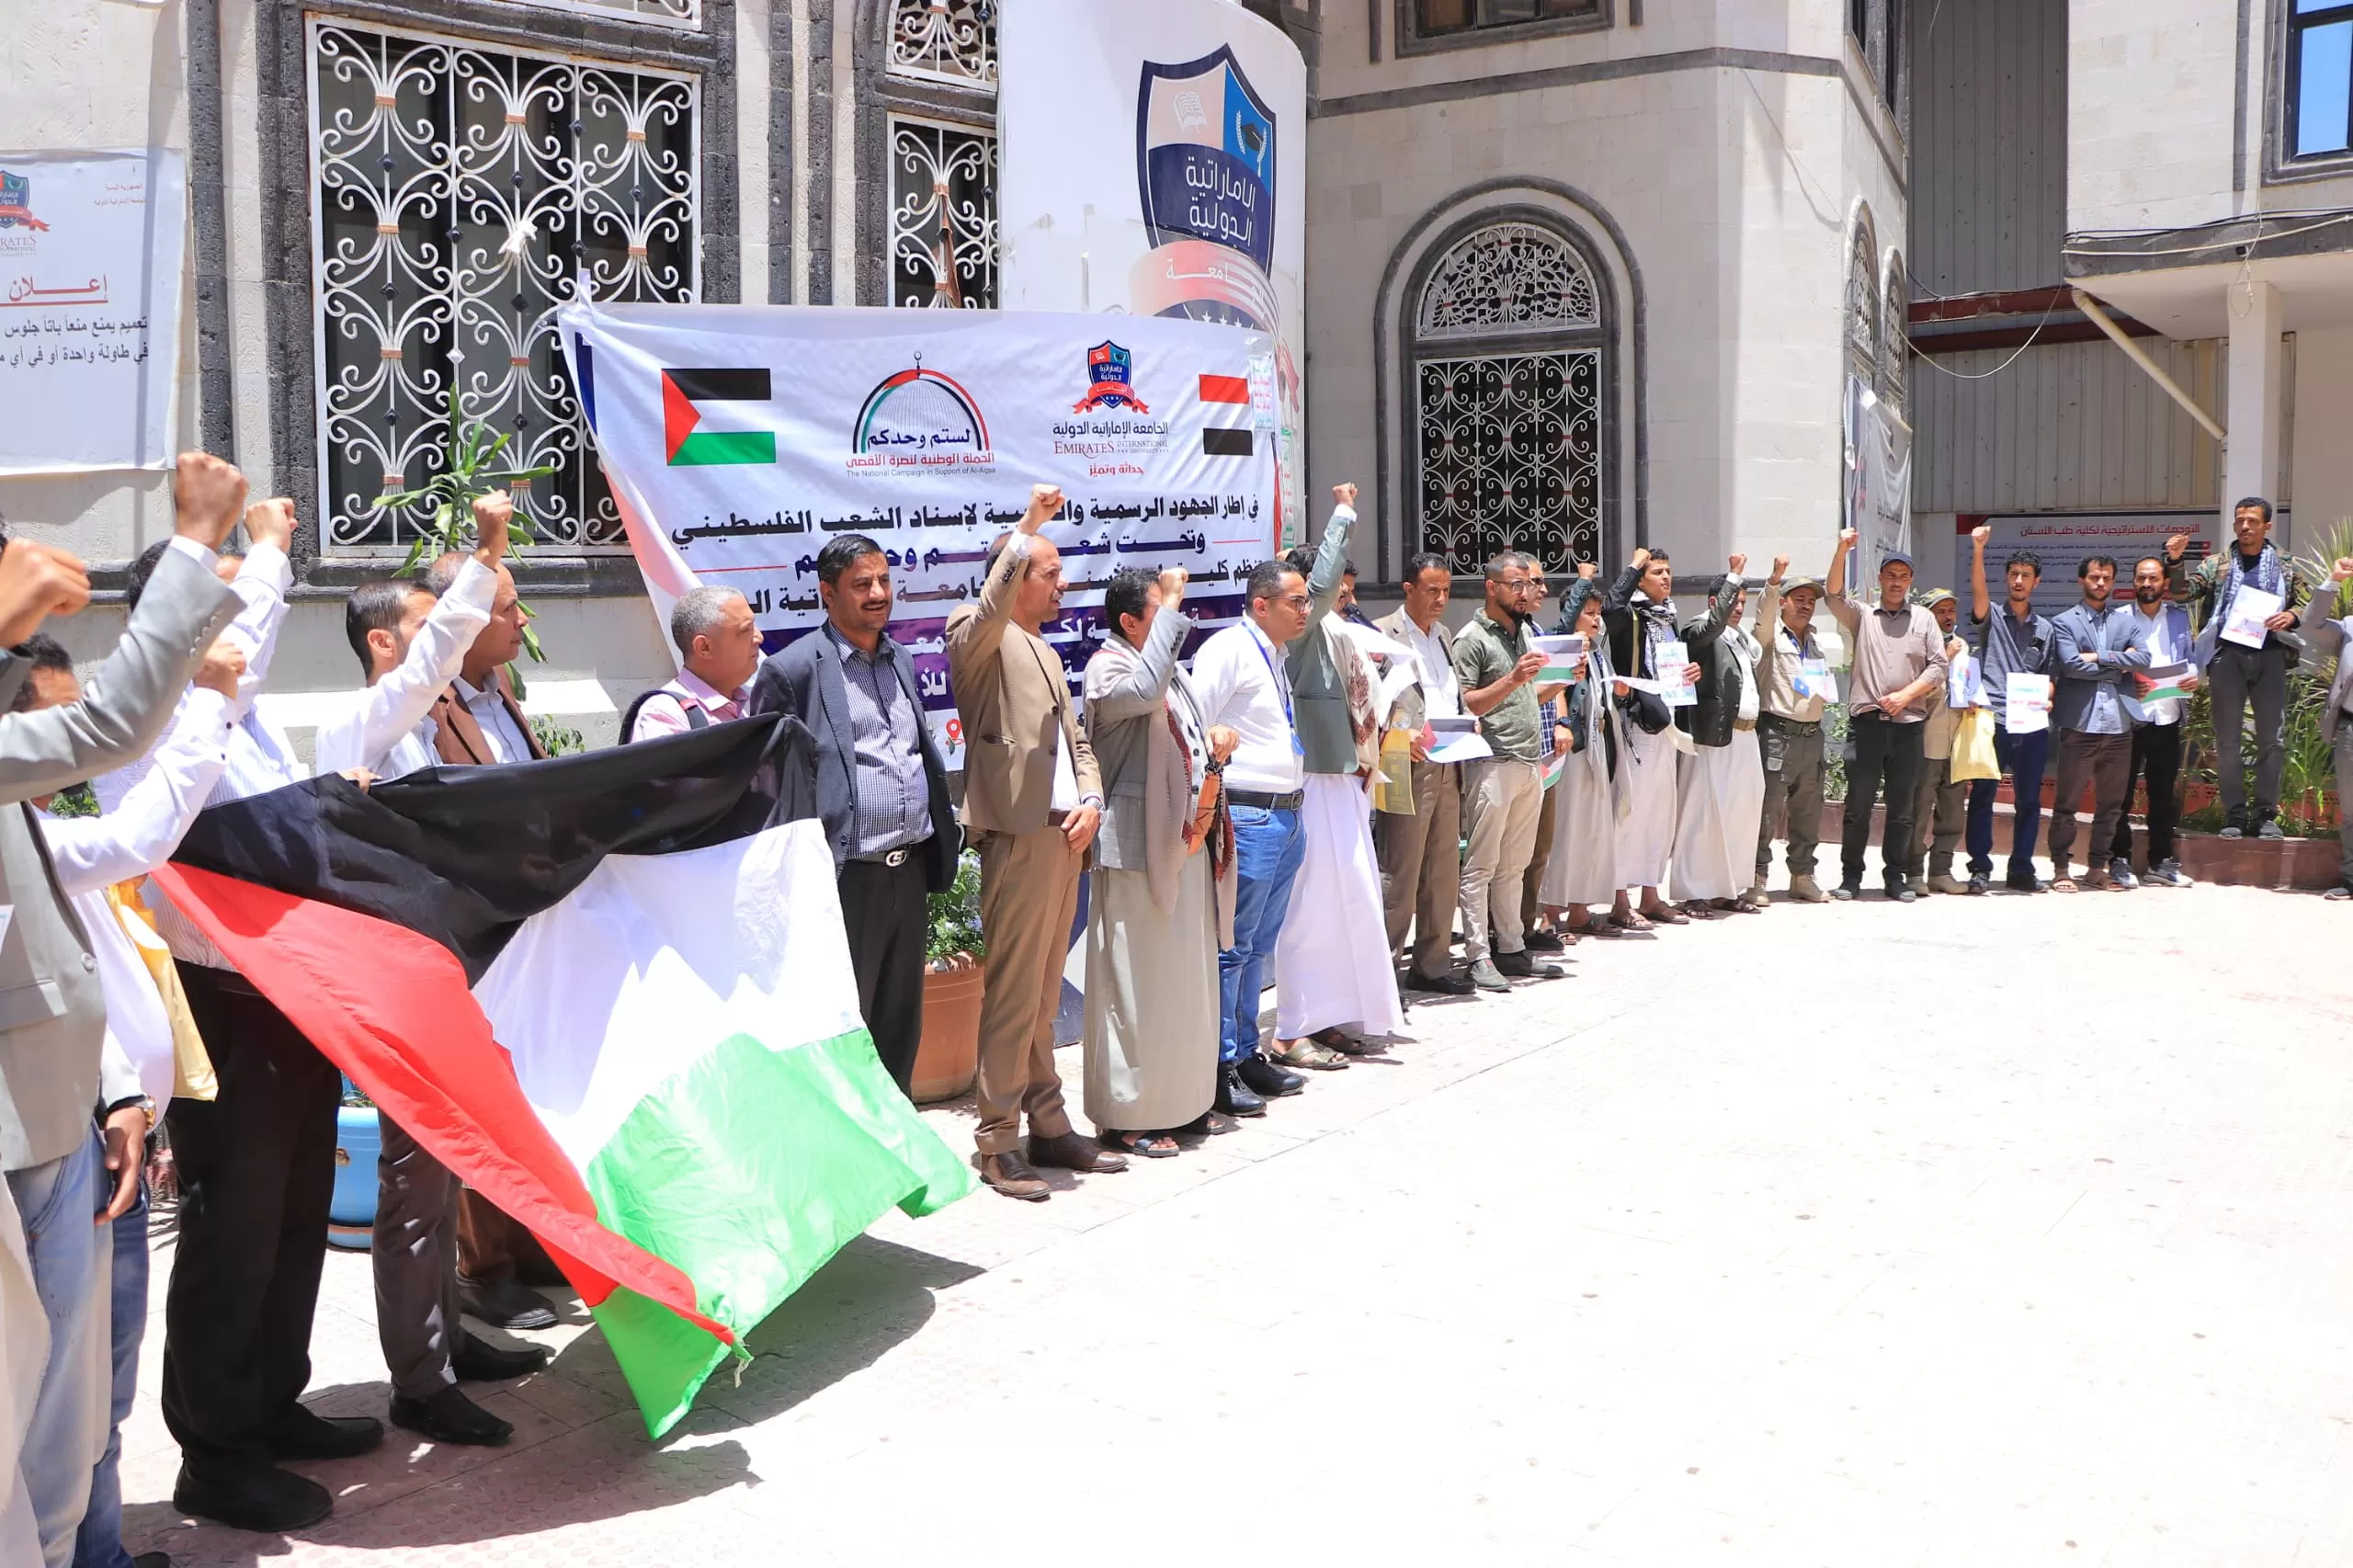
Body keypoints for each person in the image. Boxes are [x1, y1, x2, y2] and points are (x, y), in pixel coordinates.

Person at [0, 451, 243, 1564]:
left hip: (63, 1121)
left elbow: (43, 938)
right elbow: (111, 732)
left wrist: (110, 1090)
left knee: (71, 1402)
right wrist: (196, 540)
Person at [315, 504, 551, 1449]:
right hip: (400, 991)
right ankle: (420, 1381)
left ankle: (448, 1337)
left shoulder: (423, 725)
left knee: (446, 1177)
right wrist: (487, 553)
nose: (445, 641)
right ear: (383, 643)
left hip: (455, 976)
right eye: (426, 625)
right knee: (412, 1192)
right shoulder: (357, 727)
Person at [945, 484, 1122, 1199]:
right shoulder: (975, 633)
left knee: (1046, 995)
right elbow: (987, 610)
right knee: (1013, 996)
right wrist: (1027, 527)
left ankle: (1048, 1123)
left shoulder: (1045, 651)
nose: (1062, 584)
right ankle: (995, 1141)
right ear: (1015, 575)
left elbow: (1077, 742)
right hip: (1016, 839)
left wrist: (1090, 799)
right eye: (1049, 572)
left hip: (1063, 837)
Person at [411, 551, 569, 1332]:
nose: (522, 620)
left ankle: (532, 1241)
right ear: (462, 618)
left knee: (529, 1084)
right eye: (508, 608)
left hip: (528, 923)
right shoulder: (427, 706)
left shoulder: (501, 690)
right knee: (479, 1096)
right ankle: (486, 1266)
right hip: (471, 932)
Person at [747, 534, 959, 1099]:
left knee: (899, 1026)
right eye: (861, 584)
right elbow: (766, 787)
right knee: (843, 1026)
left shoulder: (902, 660)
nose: (877, 593)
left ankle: (897, 1152)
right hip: (844, 880)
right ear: (826, 593)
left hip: (907, 872)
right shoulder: (794, 672)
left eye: (884, 581)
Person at [1079, 566, 1237, 1155]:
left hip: (1183, 840)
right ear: (1129, 621)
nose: (1176, 620)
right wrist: (1172, 599)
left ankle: (1182, 1101)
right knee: (1134, 983)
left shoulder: (1165, 671)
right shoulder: (1110, 668)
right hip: (1136, 849)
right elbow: (1144, 695)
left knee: (1182, 981)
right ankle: (1129, 1117)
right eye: (1163, 611)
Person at [1192, 551, 1323, 1116]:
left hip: (1286, 814)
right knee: (1232, 947)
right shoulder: (1227, 649)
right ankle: (1219, 1066)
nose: (1306, 610)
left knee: (1259, 947)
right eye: (1297, 601)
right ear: (1261, 604)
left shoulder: (1273, 653)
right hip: (1247, 813)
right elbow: (1199, 729)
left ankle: (1248, 1054)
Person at [1272, 494, 1398, 1063]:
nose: (1338, 598)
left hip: (1343, 783)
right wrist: (1346, 512)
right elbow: (1319, 588)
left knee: (1351, 905)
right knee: (1311, 912)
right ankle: (1293, 1026)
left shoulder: (1337, 636)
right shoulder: (1299, 632)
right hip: (1312, 783)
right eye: (1324, 592)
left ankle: (1334, 1016)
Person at [1451, 552, 1565, 989]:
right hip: (1491, 761)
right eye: (1515, 585)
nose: (1524, 592)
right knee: (1481, 865)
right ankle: (1478, 955)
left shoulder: (1521, 634)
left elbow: (1522, 698)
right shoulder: (1472, 638)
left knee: (1514, 865)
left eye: (1526, 584)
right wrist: (1515, 680)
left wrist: (1557, 683)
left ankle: (1512, 948)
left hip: (1527, 761)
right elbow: (1466, 704)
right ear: (1491, 587)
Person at [2165, 498, 2306, 839]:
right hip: (2226, 657)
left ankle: (2265, 814)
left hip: (2271, 655)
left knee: (2272, 739)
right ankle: (2235, 813)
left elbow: (2303, 600)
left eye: (2252, 521)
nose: (2244, 526)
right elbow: (2184, 593)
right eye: (2239, 520)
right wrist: (2175, 561)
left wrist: (2292, 616)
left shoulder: (2285, 565)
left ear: (2266, 526)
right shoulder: (2218, 564)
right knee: (2227, 740)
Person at [1823, 530, 1949, 902]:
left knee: (1902, 809)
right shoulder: (1862, 615)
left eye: (1903, 576)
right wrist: (1842, 549)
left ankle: (1896, 877)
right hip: (1867, 727)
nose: (1896, 582)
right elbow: (1832, 595)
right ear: (1880, 579)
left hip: (1908, 727)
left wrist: (1906, 696)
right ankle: (1850, 878)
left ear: (1911, 581)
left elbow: (1938, 666)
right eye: (1890, 575)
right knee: (1857, 806)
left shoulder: (1924, 620)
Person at [1373, 554, 1470, 994]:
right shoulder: (1381, 634)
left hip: (1450, 759)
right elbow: (1369, 704)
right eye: (1432, 590)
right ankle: (1385, 970)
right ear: (1408, 589)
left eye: (1446, 591)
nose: (1441, 599)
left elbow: (1448, 691)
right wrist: (1399, 733)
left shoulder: (1444, 634)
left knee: (1443, 867)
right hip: (1407, 761)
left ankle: (1432, 965)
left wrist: (1467, 718)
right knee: (1402, 870)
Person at [1602, 545, 1703, 928]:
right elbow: (1611, 607)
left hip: (1667, 722)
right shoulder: (1631, 614)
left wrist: (1688, 673)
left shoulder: (1667, 618)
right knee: (1631, 811)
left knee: (1660, 812)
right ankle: (1619, 899)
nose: (1666, 577)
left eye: (1668, 571)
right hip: (1637, 725)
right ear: (1641, 580)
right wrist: (1631, 565)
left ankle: (1650, 895)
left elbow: (1668, 668)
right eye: (1657, 572)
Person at [1961, 523, 2057, 895]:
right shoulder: (1992, 620)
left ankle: (2021, 867)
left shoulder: (2045, 629)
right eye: (2014, 574)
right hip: (1994, 719)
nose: (2018, 581)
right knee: (1984, 795)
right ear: (2007, 579)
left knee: (2029, 801)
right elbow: (1978, 591)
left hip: (2032, 724)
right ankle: (1980, 868)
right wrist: (1979, 550)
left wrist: (2048, 696)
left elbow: (2049, 675)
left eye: (2026, 576)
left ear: (2037, 582)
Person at [2046, 555, 2151, 892]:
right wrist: (2118, 665)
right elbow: (2072, 666)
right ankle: (2062, 868)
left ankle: (2096, 867)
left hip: (2119, 727)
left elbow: (2144, 658)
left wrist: (2099, 656)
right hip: (2080, 726)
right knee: (2067, 804)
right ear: (2082, 581)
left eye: (2107, 578)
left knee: (2112, 806)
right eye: (2094, 577)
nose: (2101, 583)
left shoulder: (2124, 621)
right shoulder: (2064, 622)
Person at [1669, 556, 1765, 917]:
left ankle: (1727, 889)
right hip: (1713, 738)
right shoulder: (1699, 630)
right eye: (1732, 601)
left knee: (1741, 811)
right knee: (1703, 813)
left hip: (1744, 737)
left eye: (1742, 603)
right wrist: (1735, 574)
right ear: (1716, 602)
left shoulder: (1740, 639)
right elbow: (1710, 629)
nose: (1738, 609)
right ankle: (1693, 890)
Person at [1540, 572, 1630, 937]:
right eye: (1588, 611)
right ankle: (1549, 915)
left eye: (1598, 612)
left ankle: (1580, 910)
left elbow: (1606, 701)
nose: (1596, 618)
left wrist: (1621, 693)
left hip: (1599, 751)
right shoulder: (1562, 647)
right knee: (1564, 832)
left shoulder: (1598, 654)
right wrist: (1582, 581)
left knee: (1591, 832)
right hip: (1572, 751)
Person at [2111, 555, 2199, 889]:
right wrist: (2124, 676)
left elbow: (2190, 661)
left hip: (2167, 715)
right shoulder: (2118, 619)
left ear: (2164, 583)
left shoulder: (2178, 618)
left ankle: (2160, 862)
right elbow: (2111, 662)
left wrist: (2192, 676)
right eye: (2141, 579)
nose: (2147, 584)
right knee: (2121, 793)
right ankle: (2118, 859)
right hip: (2129, 717)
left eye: (2153, 579)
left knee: (2164, 796)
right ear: (2133, 583)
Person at [1753, 572, 1832, 903]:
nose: (1806, 606)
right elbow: (1762, 618)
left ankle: (1802, 875)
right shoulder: (1772, 638)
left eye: (1811, 601)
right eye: (1798, 599)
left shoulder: (1814, 642)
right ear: (1783, 603)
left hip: (1811, 735)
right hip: (1778, 733)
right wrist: (1773, 583)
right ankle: (1756, 877)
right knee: (1767, 809)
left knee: (1808, 809)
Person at [1902, 588, 1973, 895]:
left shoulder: (1962, 645)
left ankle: (1941, 871)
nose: (1947, 617)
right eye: (1939, 611)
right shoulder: (1917, 648)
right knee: (1919, 812)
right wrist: (1945, 658)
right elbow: (1916, 692)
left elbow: (1967, 683)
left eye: (1950, 611)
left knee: (1953, 812)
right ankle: (1914, 872)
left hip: (1957, 742)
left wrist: (1973, 699)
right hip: (1928, 742)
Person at [1512, 567, 1568, 952]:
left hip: (1547, 754)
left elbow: (1554, 684)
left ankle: (1526, 926)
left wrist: (1563, 719)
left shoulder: (1542, 635)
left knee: (1540, 846)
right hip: (1516, 753)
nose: (1542, 589)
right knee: (1510, 851)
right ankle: (1505, 931)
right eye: (1535, 582)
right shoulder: (1506, 638)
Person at [624, 585, 758, 740]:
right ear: (704, 647)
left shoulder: (744, 705)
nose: (758, 638)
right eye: (746, 630)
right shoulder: (664, 716)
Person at [2296, 555, 2353, 900]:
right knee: (2351, 812)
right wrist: (2332, 582)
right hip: (2350, 730)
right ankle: (2351, 878)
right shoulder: (2348, 627)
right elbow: (2309, 625)